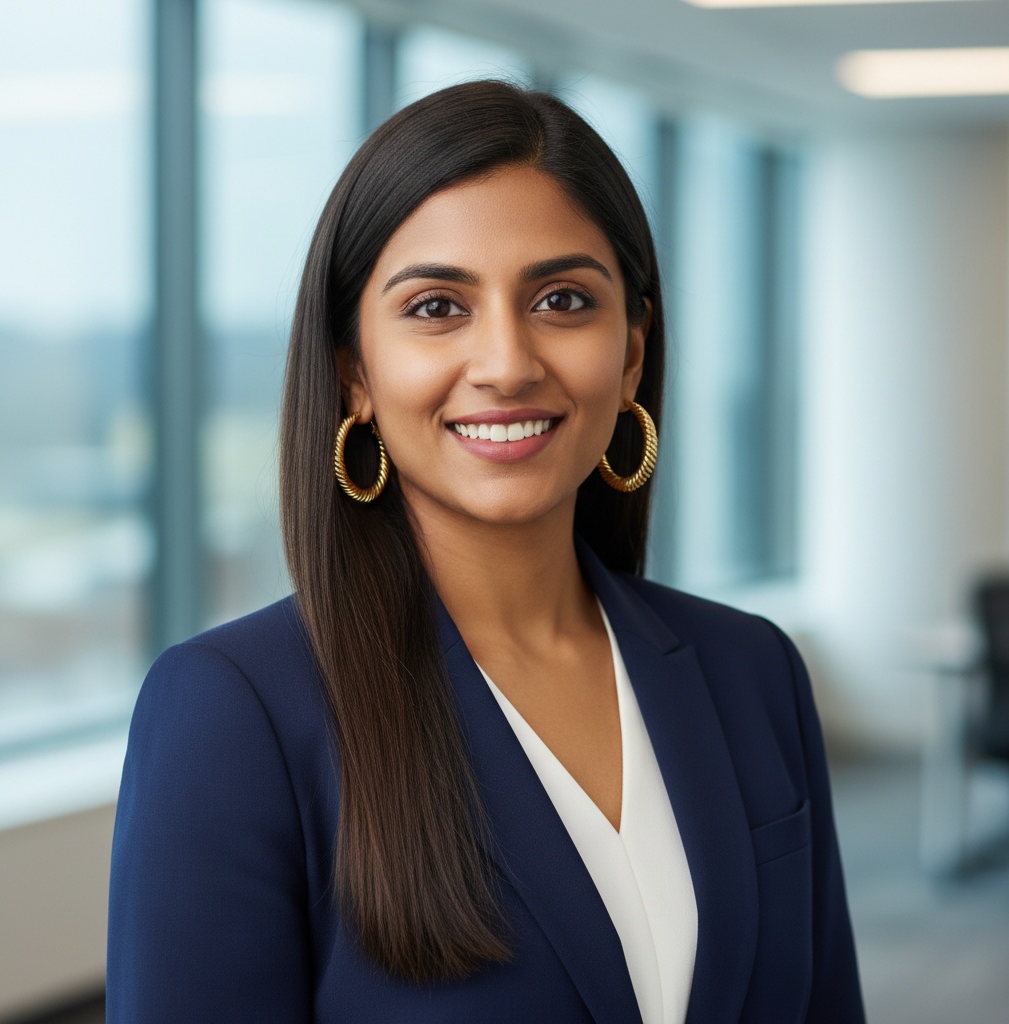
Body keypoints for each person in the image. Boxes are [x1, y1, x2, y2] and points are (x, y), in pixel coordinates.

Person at [106, 80, 865, 1024]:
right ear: (355, 371)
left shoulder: (752, 671)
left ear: (631, 351)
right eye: (436, 307)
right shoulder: (233, 714)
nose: (507, 363)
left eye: (561, 298)